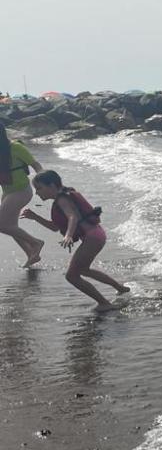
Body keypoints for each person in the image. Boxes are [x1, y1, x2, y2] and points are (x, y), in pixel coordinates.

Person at [21, 170, 129, 312]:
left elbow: (73, 217)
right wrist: (35, 217)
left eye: (39, 188)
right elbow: (54, 227)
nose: (37, 193)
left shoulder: (62, 199)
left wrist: (68, 235)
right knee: (83, 270)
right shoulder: (61, 199)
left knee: (72, 276)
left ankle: (104, 303)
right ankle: (120, 288)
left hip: (92, 237)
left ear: (52, 185)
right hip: (96, 235)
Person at [0, 124, 45, 267]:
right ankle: (31, 254)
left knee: (2, 224)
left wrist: (43, 183)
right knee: (11, 226)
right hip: (7, 192)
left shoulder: (15, 147)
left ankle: (36, 242)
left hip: (22, 191)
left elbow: (36, 165)